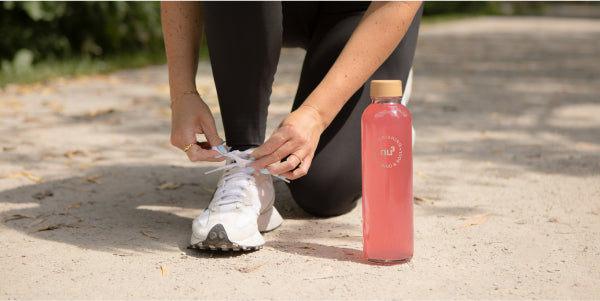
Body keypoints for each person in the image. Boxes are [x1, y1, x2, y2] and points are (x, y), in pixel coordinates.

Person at [161, 1, 423, 251]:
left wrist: (316, 114)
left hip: (360, 10)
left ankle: (386, 98)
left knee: (325, 189)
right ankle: (246, 166)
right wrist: (182, 93)